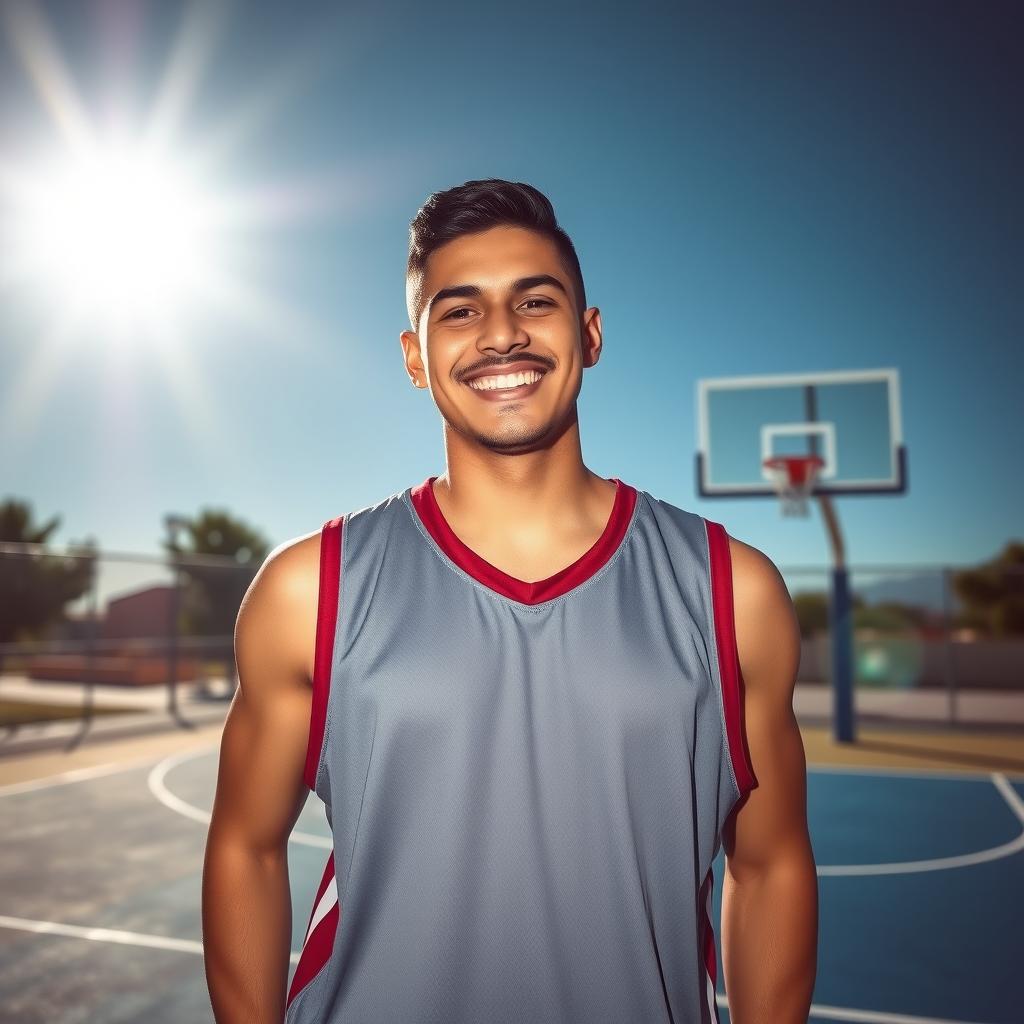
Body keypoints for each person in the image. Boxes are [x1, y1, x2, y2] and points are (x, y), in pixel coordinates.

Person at [202, 178, 818, 1024]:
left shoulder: (731, 589)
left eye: (535, 300)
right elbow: (244, 845)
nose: (501, 334)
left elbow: (772, 864)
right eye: (459, 311)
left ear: (590, 334)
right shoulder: (310, 586)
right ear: (414, 358)